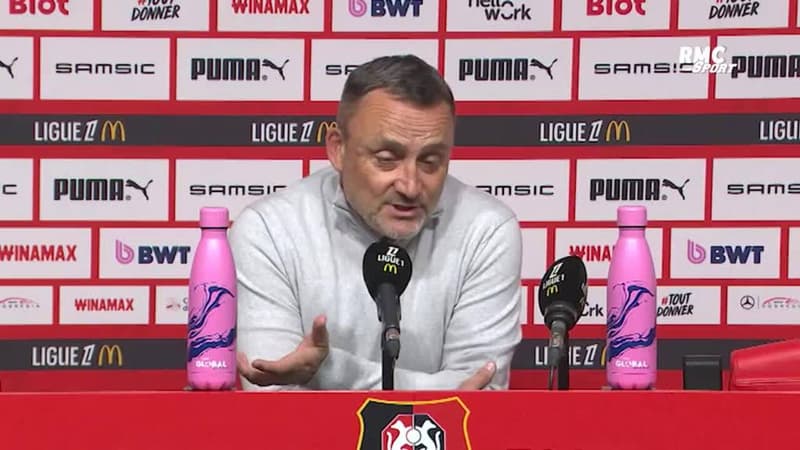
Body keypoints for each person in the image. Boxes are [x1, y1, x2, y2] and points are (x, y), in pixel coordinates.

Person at [231, 54, 523, 391]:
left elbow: (480, 393)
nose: (410, 186)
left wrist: (330, 370)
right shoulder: (268, 230)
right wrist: (433, 391)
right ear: (338, 149)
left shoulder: (487, 229)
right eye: (387, 160)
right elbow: (272, 395)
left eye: (430, 162)